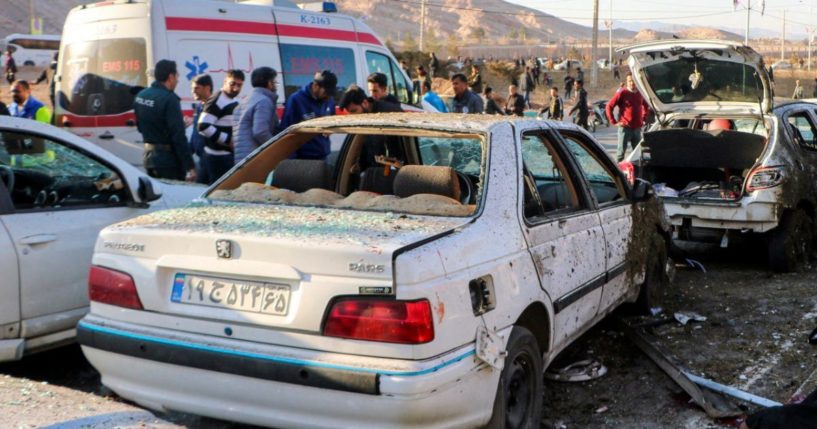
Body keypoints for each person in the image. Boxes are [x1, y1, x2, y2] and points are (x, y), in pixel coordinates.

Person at [133, 59, 195, 181]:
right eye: (177, 76)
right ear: (171, 77)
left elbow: (141, 127)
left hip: (149, 158)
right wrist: (190, 166)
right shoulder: (170, 99)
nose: (177, 80)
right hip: (168, 162)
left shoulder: (141, 95)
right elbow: (178, 137)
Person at [339, 85, 403, 169]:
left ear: (365, 103)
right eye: (349, 113)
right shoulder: (360, 118)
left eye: (354, 111)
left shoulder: (389, 113)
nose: (353, 116)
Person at [197, 69, 244, 184]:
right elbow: (203, 126)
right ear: (225, 82)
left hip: (224, 155)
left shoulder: (230, 99)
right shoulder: (217, 99)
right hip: (218, 157)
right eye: (232, 84)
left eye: (239, 85)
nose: (236, 88)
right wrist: (228, 140)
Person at [279, 70, 337, 160]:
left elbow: (333, 118)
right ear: (315, 86)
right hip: (303, 159)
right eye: (326, 93)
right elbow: (286, 132)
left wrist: (331, 129)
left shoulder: (329, 100)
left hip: (324, 155)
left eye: (330, 94)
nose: (328, 97)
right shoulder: (296, 100)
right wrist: (292, 161)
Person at [233, 66, 279, 165]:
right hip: (255, 158)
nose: (276, 86)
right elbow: (260, 132)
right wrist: (276, 147)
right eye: (275, 82)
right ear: (269, 83)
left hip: (241, 159)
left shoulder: (244, 101)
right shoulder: (263, 101)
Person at [606, 73, 650, 162]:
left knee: (637, 155)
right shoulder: (622, 92)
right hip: (625, 128)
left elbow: (646, 106)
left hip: (637, 129)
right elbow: (609, 106)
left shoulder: (640, 93)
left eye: (633, 81)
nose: (632, 83)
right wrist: (614, 121)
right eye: (629, 81)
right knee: (620, 154)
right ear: (627, 82)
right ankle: (617, 173)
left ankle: (635, 174)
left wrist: (643, 119)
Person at [188, 73, 213, 184]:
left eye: (196, 88)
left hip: (211, 159)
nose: (193, 91)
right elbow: (195, 134)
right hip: (201, 160)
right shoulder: (199, 107)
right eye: (192, 88)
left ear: (207, 88)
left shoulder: (214, 107)